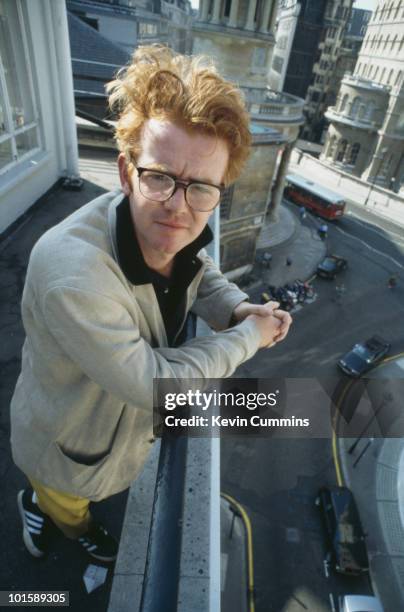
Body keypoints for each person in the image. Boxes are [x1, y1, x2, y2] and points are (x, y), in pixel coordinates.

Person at [10, 45, 292, 563]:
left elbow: (197, 268)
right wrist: (248, 337)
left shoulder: (165, 225)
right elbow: (156, 387)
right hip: (66, 446)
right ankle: (56, 520)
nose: (179, 209)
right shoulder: (72, 273)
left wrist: (234, 308)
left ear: (217, 193)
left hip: (110, 431)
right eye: (160, 177)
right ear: (126, 173)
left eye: (201, 189)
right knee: (69, 504)